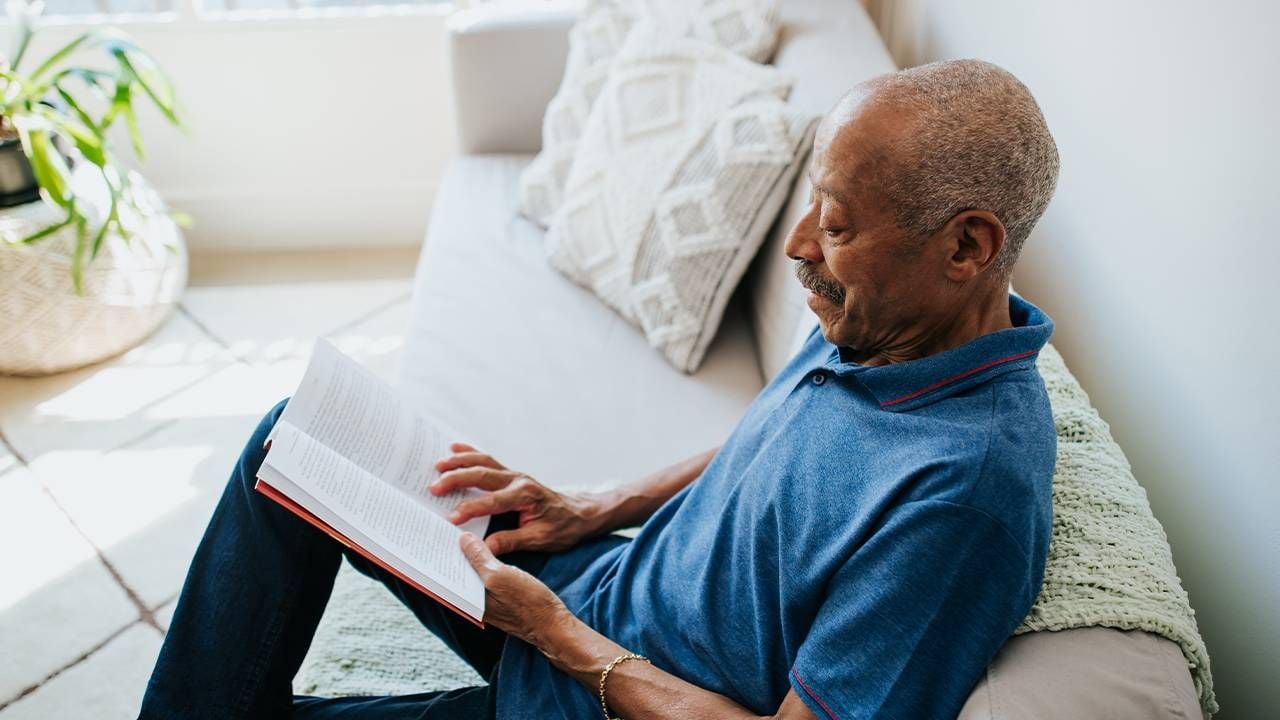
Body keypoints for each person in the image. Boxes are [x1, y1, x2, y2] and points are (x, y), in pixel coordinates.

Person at [140, 58, 1061, 720]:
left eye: (837, 225)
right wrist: (592, 505)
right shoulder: (893, 324)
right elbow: (787, 440)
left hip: (600, 685)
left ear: (967, 247)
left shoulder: (964, 497)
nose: (799, 248)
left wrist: (551, 635)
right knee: (288, 442)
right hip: (598, 581)